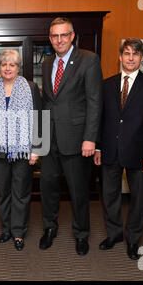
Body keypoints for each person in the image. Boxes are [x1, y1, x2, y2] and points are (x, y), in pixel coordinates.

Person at [94, 38, 143, 260]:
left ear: (141, 58)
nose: (131, 58)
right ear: (120, 56)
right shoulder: (107, 85)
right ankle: (114, 234)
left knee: (139, 200)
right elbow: (100, 119)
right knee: (110, 196)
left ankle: (133, 240)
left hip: (139, 153)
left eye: (135, 54)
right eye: (127, 53)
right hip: (109, 150)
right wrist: (97, 147)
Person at [39, 17, 103, 255]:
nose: (59, 40)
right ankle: (49, 228)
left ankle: (81, 234)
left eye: (64, 35)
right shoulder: (46, 63)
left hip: (77, 140)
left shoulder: (88, 60)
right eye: (55, 36)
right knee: (48, 188)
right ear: (50, 38)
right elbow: (48, 102)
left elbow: (95, 102)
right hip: (50, 139)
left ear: (72, 36)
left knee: (78, 191)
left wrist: (90, 138)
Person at [0, 50, 42, 251]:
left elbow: (38, 118)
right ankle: (6, 228)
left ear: (18, 68)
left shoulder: (31, 87)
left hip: (23, 150)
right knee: (3, 192)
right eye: (4, 65)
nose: (8, 68)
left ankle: (18, 232)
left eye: (12, 65)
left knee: (21, 192)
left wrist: (36, 149)